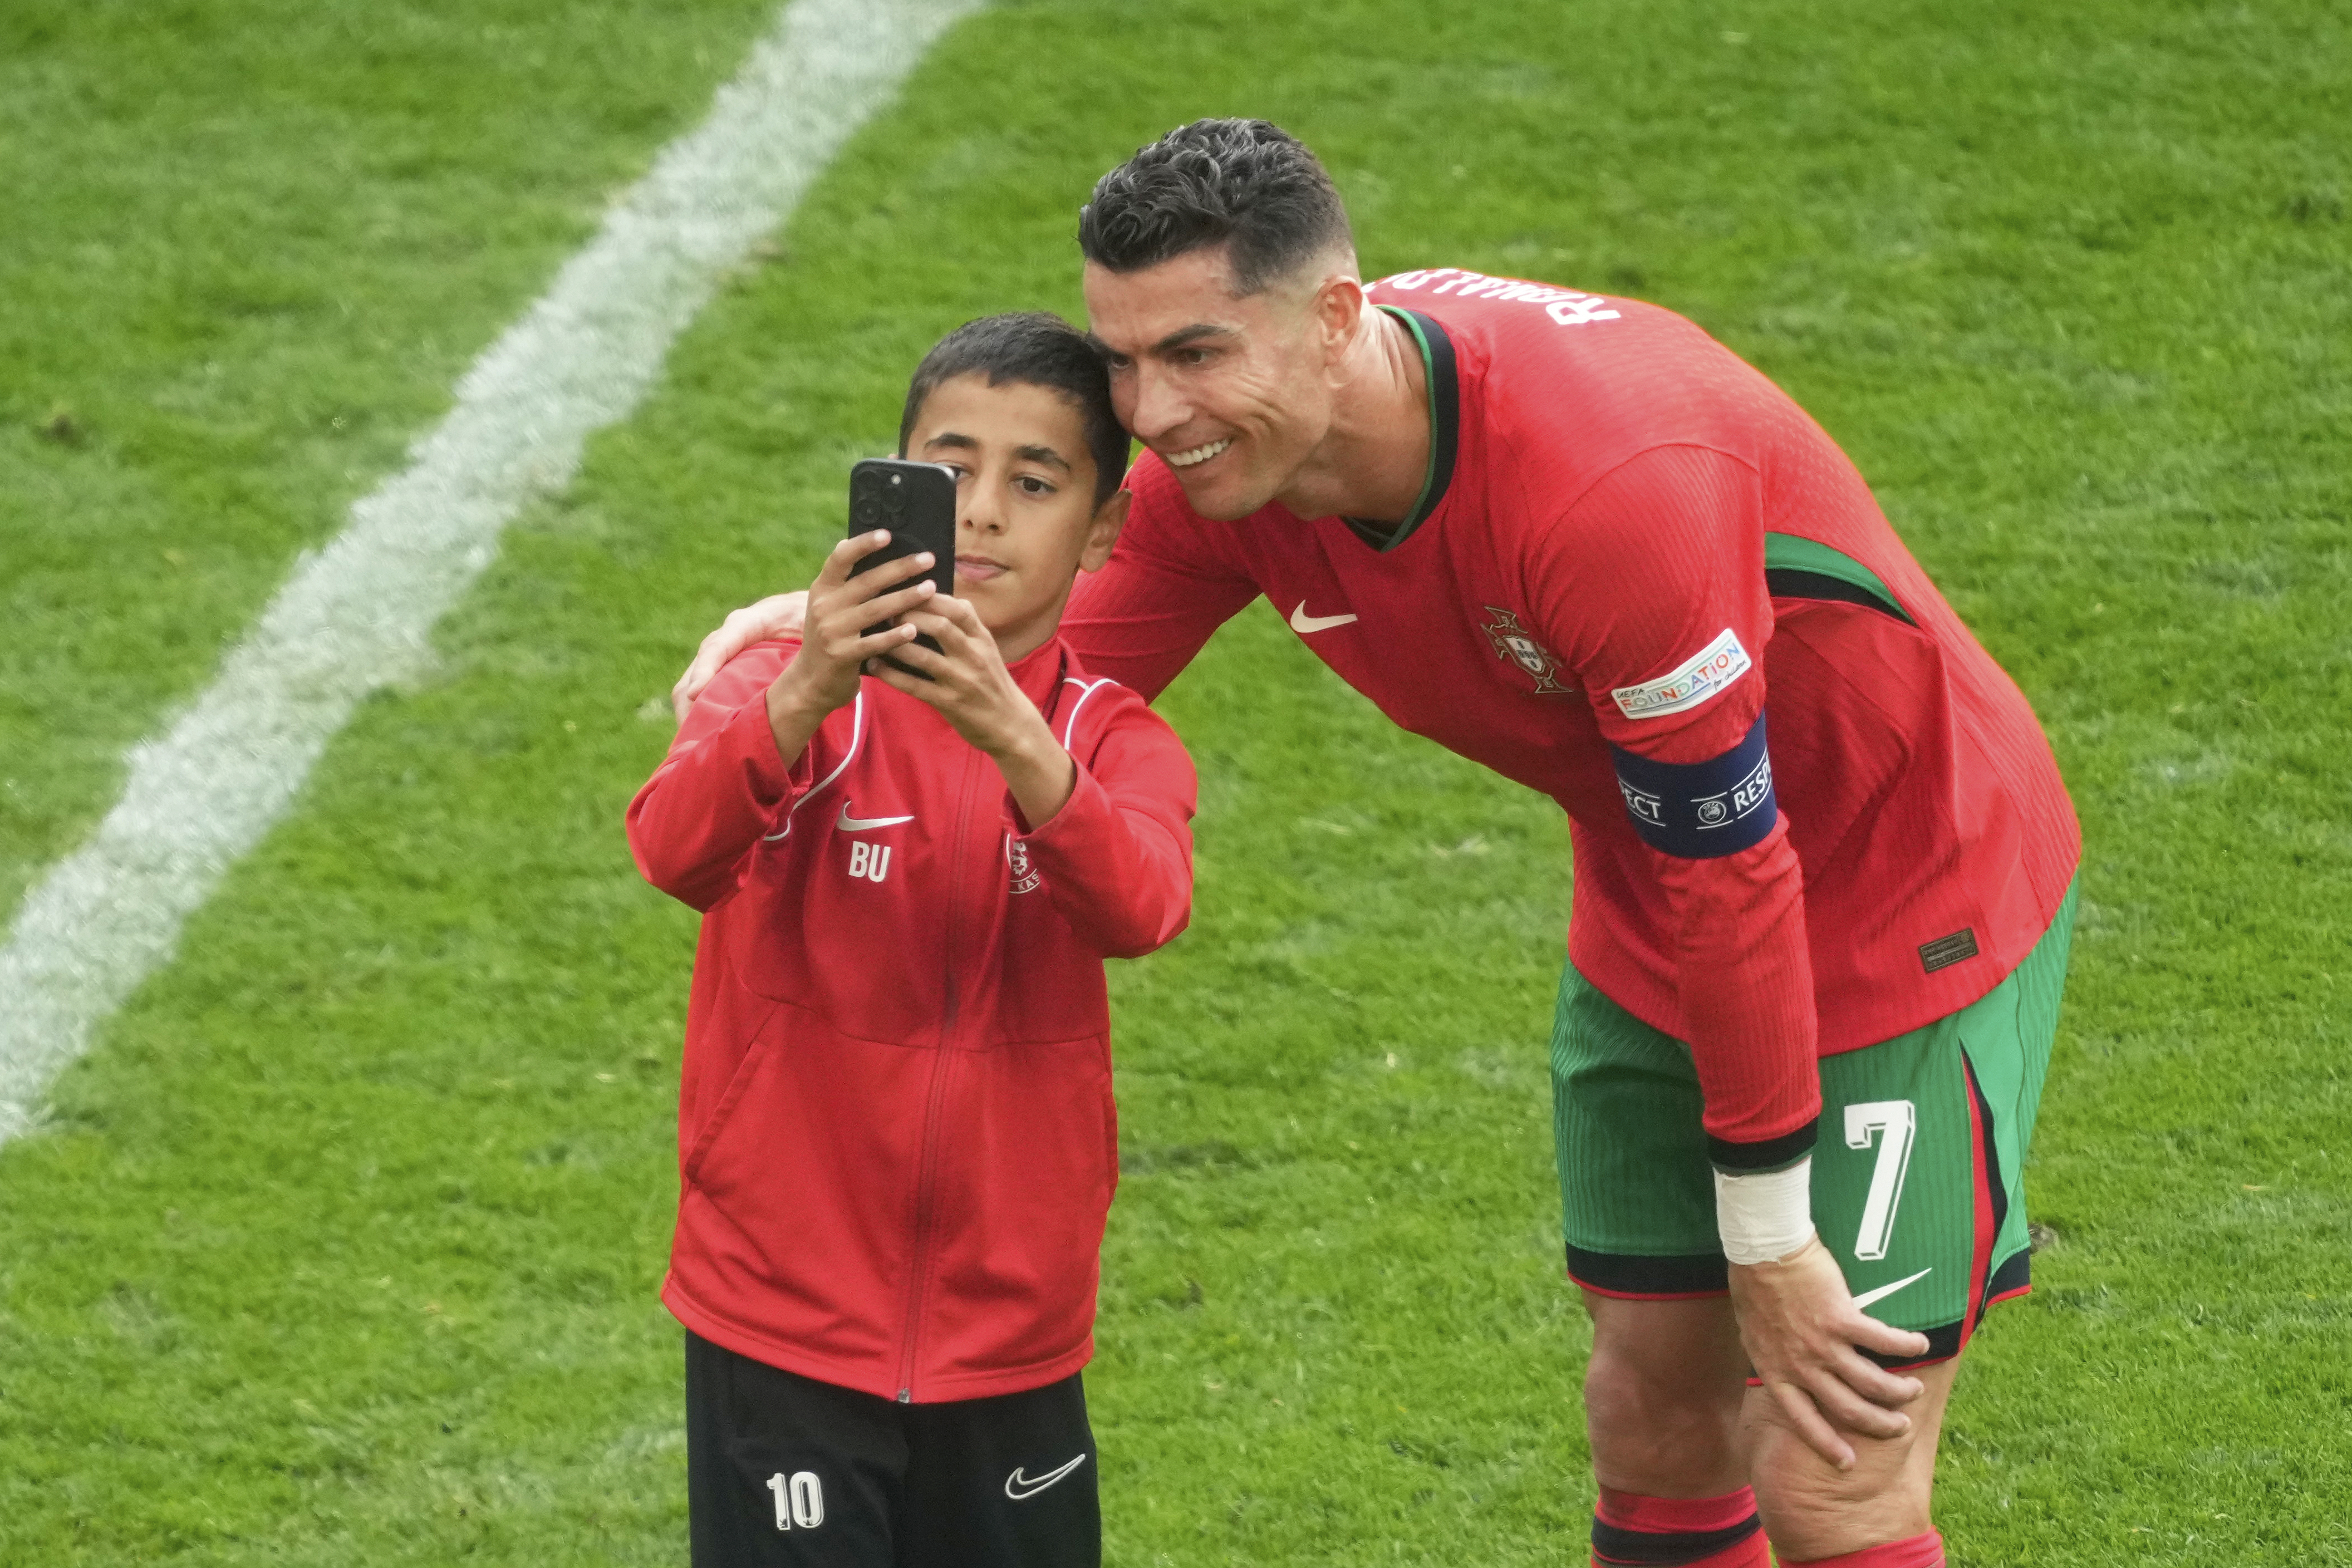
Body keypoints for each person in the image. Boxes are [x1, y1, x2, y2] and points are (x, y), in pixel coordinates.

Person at [673, 122, 2080, 1568]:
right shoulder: (1239, 476)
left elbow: (1738, 871)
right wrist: (812, 651)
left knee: (1830, 1469)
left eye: (1197, 354)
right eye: (1123, 361)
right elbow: (1024, 680)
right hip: (1659, 903)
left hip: (1907, 893)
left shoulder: (1607, 496)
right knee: (1655, 1415)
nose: (1149, 417)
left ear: (1338, 318)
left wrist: (1774, 1234)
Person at [628, 311, 1197, 1568]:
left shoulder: (1113, 738)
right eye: (949, 470)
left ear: (1103, 531)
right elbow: (672, 851)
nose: (983, 511)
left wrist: (1014, 741)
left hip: (1009, 1328)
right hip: (779, 1315)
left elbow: (1143, 904)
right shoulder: (787, 686)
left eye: (1034, 481)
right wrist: (801, 690)